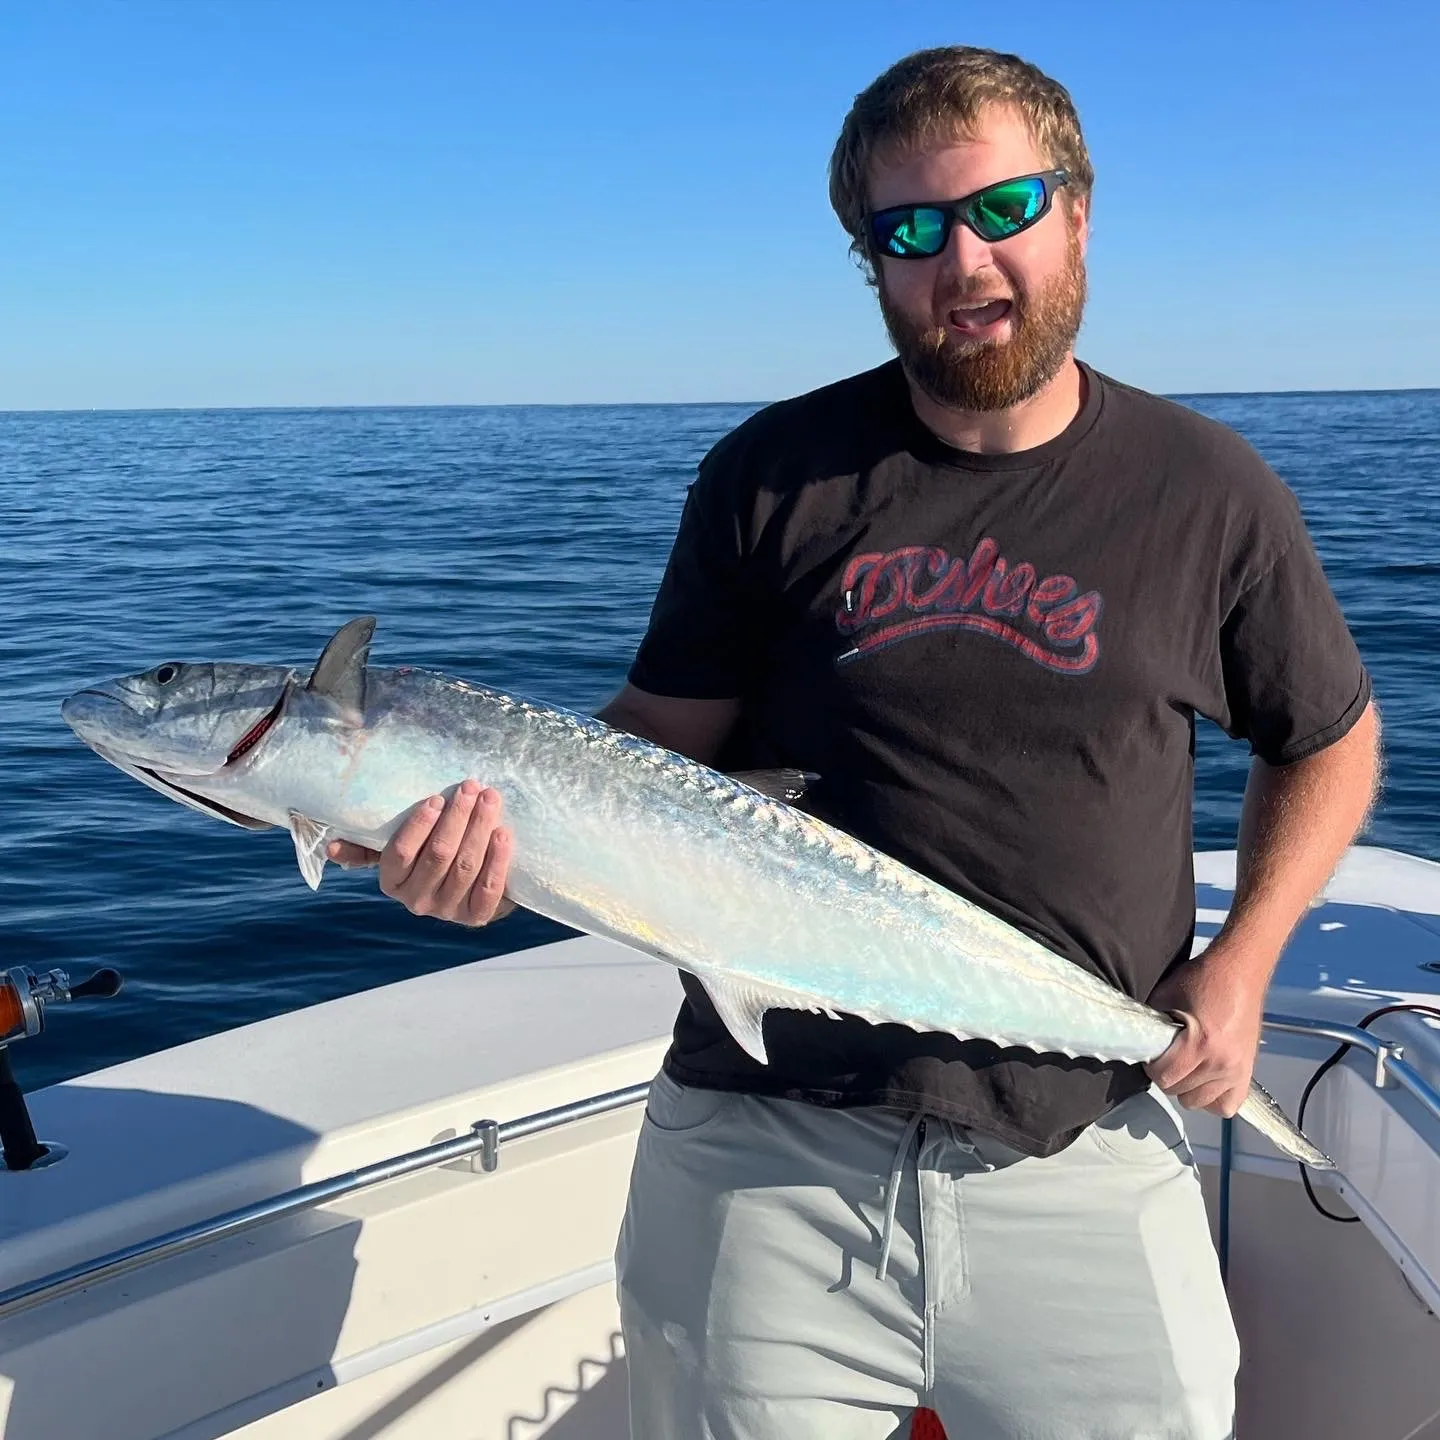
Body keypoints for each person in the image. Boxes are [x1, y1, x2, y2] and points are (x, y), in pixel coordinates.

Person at [330, 44, 1380, 1440]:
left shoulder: (1207, 492)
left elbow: (1329, 741)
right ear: (870, 264)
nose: (963, 261)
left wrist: (1243, 965)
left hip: (1080, 1139)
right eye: (909, 231)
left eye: (1002, 209)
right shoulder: (773, 475)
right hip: (762, 1152)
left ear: (1076, 212)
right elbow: (656, 748)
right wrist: (490, 842)